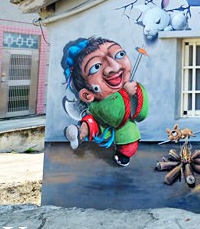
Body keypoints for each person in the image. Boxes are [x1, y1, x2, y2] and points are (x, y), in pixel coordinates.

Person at [62, 37, 149, 167]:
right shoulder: (99, 106)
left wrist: (135, 93)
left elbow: (141, 115)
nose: (115, 67)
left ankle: (123, 154)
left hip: (124, 124)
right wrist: (125, 92)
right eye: (96, 66)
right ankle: (79, 133)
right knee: (90, 123)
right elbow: (115, 117)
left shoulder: (130, 87)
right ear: (87, 95)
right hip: (102, 113)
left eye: (119, 55)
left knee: (129, 141)